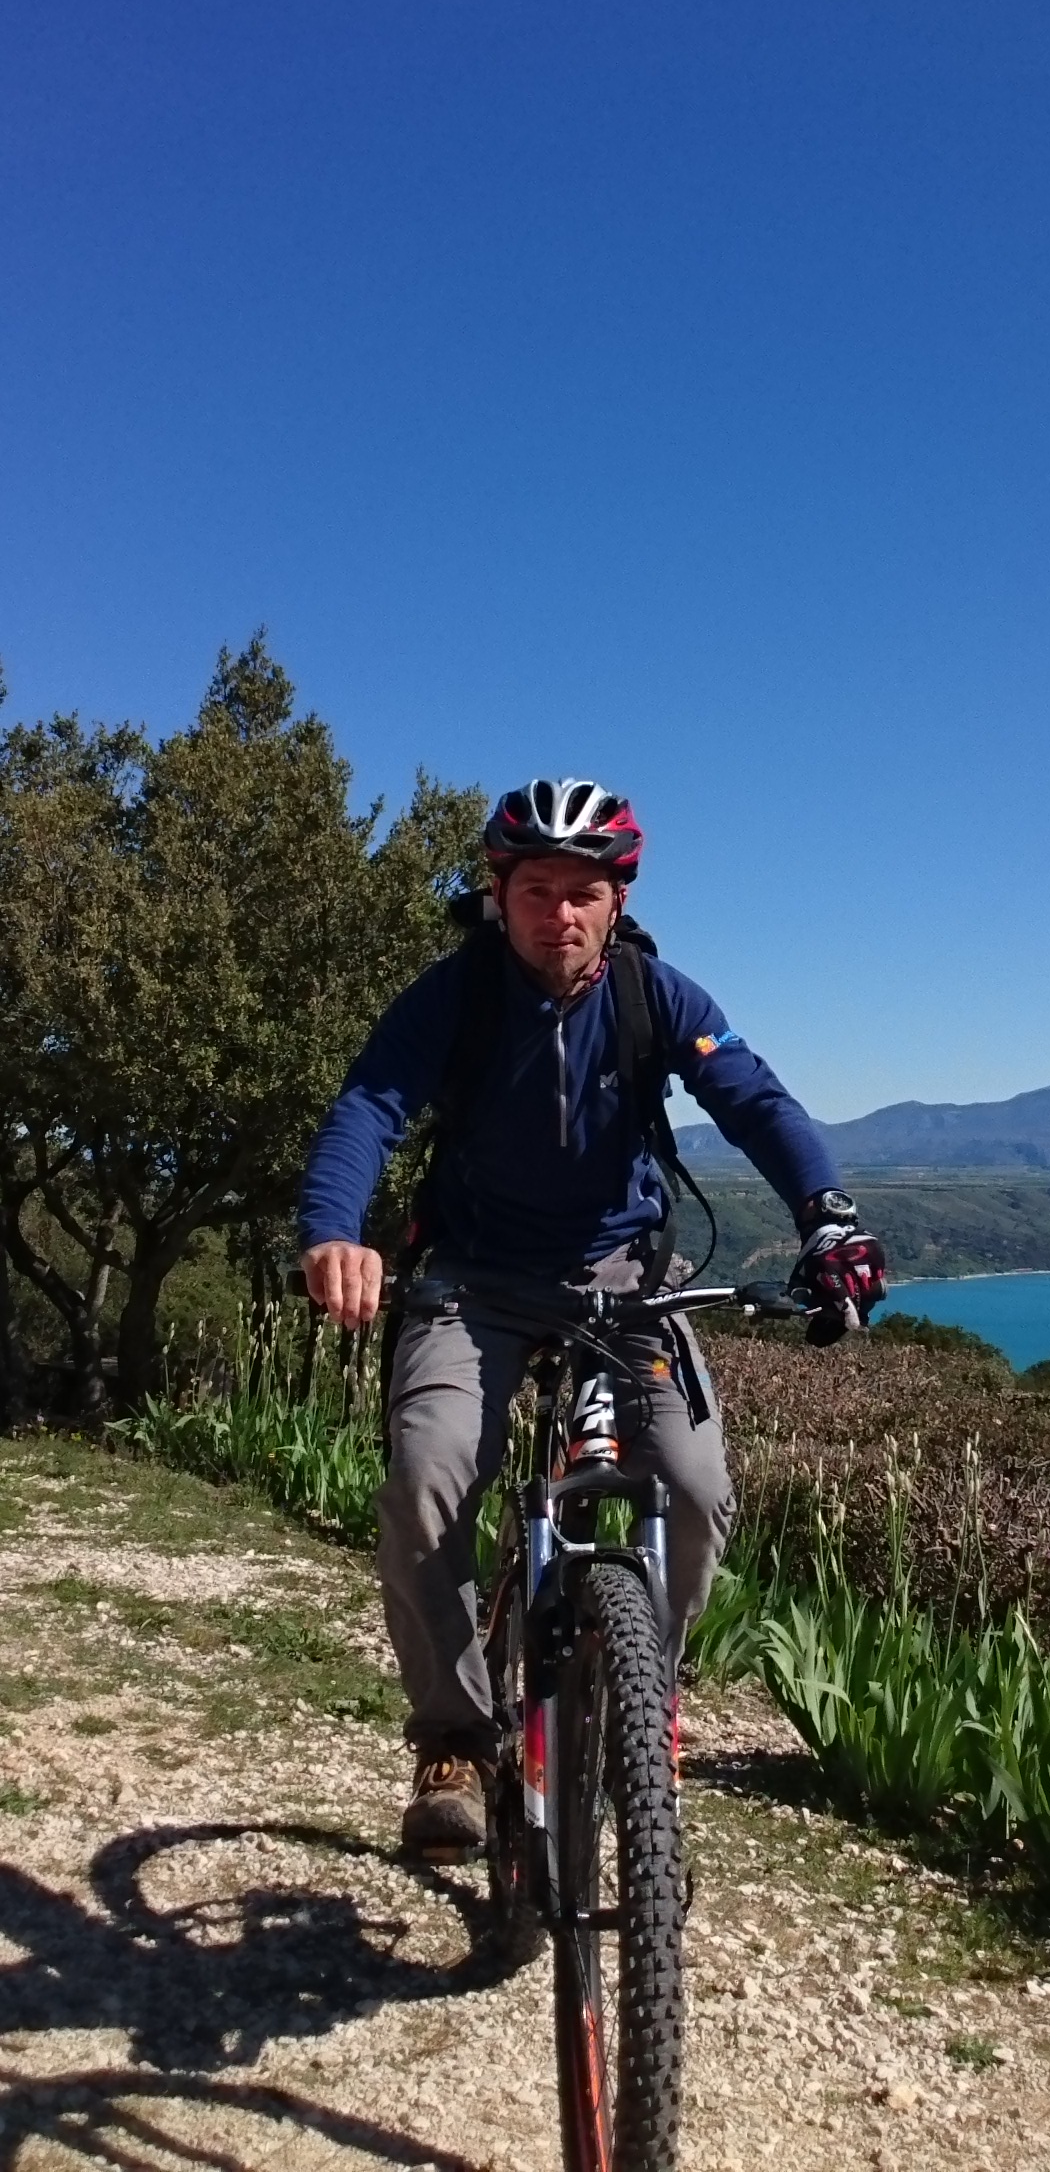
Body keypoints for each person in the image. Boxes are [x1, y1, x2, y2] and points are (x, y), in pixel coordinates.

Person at [298, 776, 886, 1862]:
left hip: (623, 1282)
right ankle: (451, 1741)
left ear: (617, 899)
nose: (557, 914)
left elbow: (754, 1101)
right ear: (499, 891)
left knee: (698, 1491)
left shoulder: (656, 998)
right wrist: (335, 1228)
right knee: (426, 1481)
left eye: (582, 892)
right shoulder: (456, 995)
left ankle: (641, 1691)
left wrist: (828, 1215)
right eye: (535, 890)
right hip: (473, 1279)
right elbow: (370, 1106)